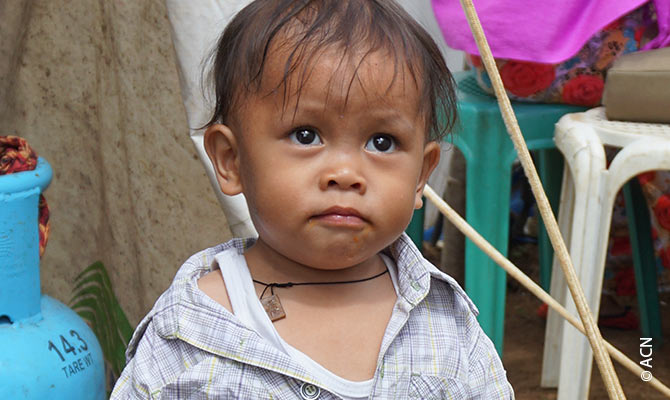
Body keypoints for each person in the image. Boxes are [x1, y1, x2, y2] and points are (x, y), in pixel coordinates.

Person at [111, 0, 513, 398]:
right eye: (306, 135)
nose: (346, 174)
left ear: (421, 175)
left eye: (382, 142)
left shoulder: (445, 325)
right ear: (231, 160)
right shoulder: (186, 334)